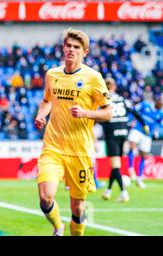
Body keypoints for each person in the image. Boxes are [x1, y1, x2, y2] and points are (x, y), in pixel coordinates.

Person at [34, 28, 113, 236]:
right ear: (63, 48)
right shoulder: (52, 74)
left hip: (80, 151)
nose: (71, 50)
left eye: (76, 47)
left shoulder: (93, 78)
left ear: (84, 52)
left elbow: (108, 113)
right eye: (68, 46)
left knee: (78, 208)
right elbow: (46, 101)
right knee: (45, 197)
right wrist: (41, 115)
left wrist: (86, 112)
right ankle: (58, 227)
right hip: (53, 147)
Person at [100, 78, 148, 202]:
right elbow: (134, 111)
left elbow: (97, 115)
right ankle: (108, 190)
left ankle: (123, 192)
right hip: (123, 133)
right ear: (114, 87)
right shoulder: (122, 99)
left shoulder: (103, 99)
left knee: (115, 165)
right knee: (116, 164)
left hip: (112, 133)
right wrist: (144, 124)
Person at [127, 97, 156, 189]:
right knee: (132, 145)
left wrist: (157, 132)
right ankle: (130, 169)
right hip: (137, 129)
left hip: (147, 135)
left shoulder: (160, 113)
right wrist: (129, 121)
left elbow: (159, 125)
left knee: (143, 156)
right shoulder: (145, 104)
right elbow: (133, 110)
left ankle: (139, 178)